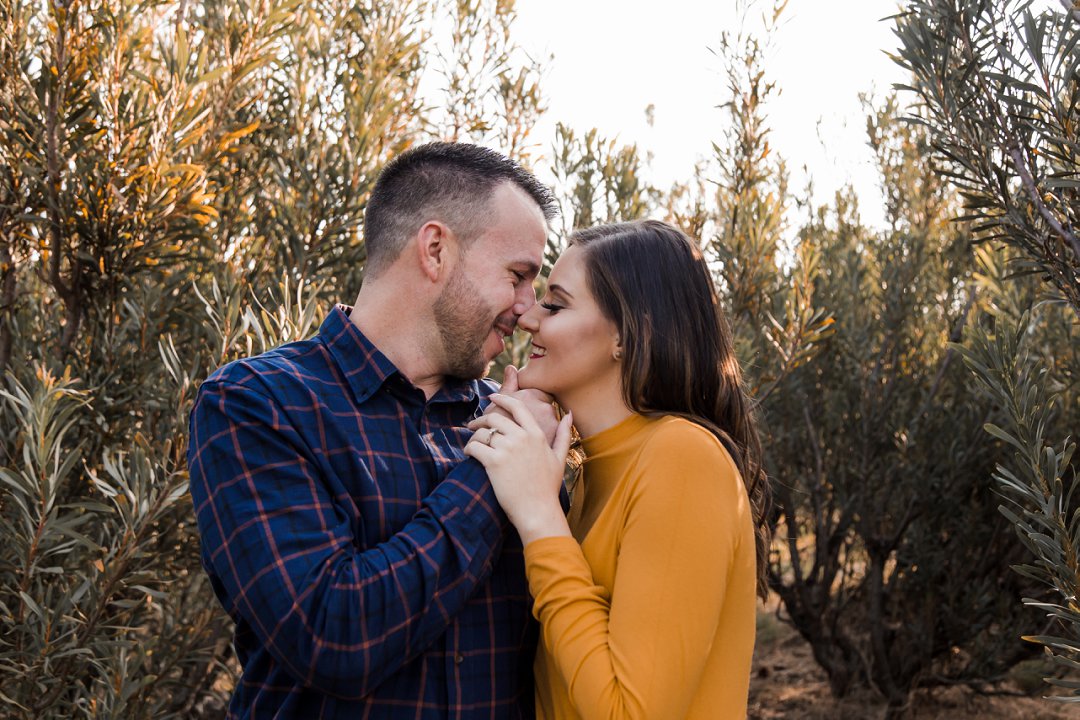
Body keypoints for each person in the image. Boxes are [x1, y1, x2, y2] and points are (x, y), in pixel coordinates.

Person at [187, 142, 561, 718]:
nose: (527, 308)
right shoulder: (256, 405)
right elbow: (333, 636)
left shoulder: (519, 419)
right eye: (517, 276)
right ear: (435, 250)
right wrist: (493, 471)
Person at [465, 219, 772, 719]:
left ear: (631, 335)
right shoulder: (591, 471)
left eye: (556, 304)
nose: (527, 318)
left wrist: (540, 517)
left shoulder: (682, 458)